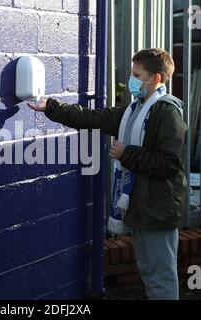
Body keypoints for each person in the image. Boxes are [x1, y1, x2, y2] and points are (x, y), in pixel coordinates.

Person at [27, 48, 188, 300]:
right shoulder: (134, 109)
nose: (132, 79)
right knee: (150, 274)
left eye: (137, 74)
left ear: (156, 78)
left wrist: (127, 153)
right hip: (143, 206)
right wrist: (52, 107)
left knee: (161, 276)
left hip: (159, 208)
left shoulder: (166, 112)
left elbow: (170, 164)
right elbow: (93, 117)